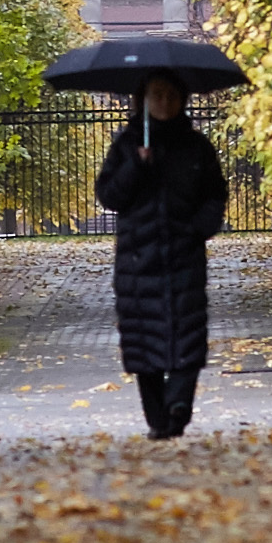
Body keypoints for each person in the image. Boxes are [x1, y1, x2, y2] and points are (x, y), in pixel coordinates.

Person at [94, 73, 228, 438]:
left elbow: (215, 194)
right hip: (139, 258)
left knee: (187, 333)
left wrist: (200, 227)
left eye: (171, 96)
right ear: (144, 100)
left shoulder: (196, 147)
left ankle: (179, 404)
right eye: (158, 95)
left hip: (184, 253)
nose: (165, 103)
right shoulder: (127, 144)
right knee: (143, 340)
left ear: (182, 99)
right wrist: (136, 165)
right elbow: (110, 196)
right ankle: (157, 419)